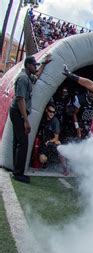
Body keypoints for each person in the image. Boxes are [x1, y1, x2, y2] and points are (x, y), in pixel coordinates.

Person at [10, 54, 52, 183]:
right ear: (28, 65)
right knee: (23, 143)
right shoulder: (23, 78)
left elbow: (37, 76)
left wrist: (44, 63)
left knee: (18, 142)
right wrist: (26, 121)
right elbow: (21, 100)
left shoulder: (27, 77)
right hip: (19, 112)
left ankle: (16, 170)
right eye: (35, 65)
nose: (36, 67)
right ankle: (18, 173)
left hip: (19, 112)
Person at [37, 103, 68, 174]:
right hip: (43, 142)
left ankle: (65, 167)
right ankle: (47, 160)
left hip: (51, 142)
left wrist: (49, 141)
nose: (52, 113)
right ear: (46, 110)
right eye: (50, 111)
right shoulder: (42, 118)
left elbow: (56, 138)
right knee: (42, 159)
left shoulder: (55, 121)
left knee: (59, 147)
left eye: (53, 112)